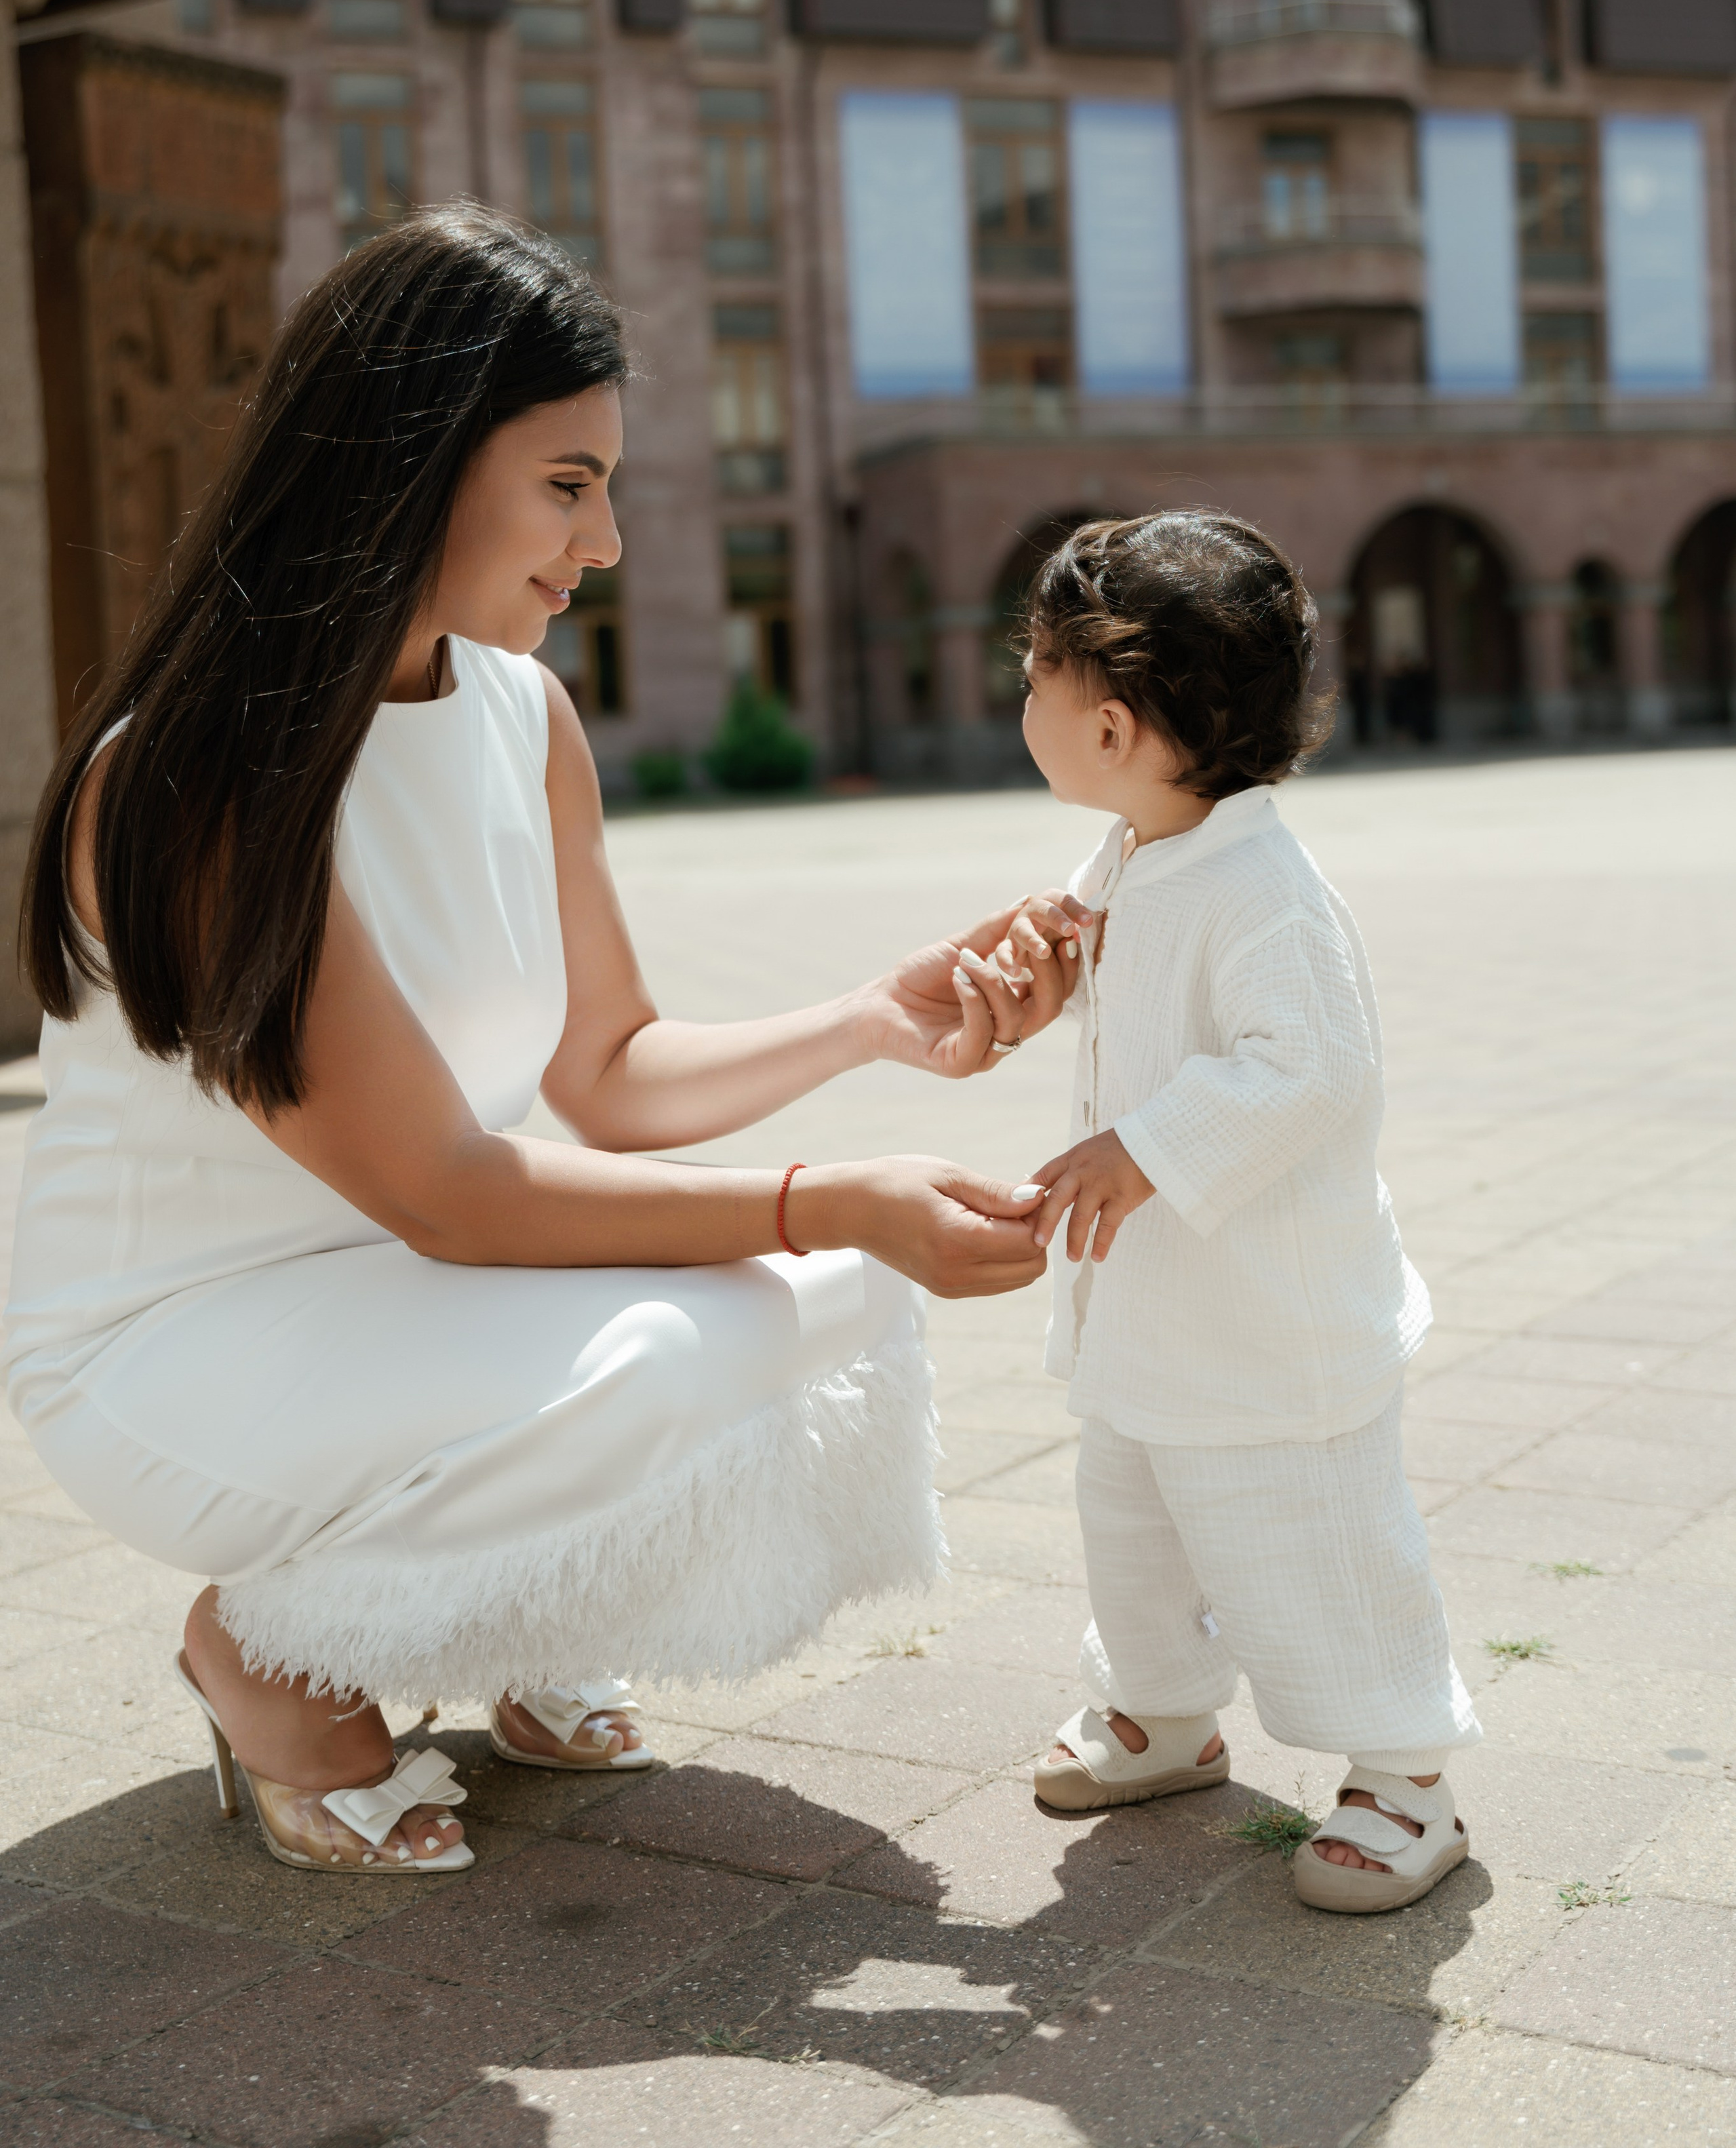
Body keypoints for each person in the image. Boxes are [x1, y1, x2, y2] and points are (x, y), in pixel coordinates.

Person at [8, 208, 1056, 1879]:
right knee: (685, 1339)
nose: (611, 539)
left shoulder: (522, 714)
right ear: (406, 463)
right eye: (567, 483)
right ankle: (268, 1651)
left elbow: (610, 1072)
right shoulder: (200, 779)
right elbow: (450, 1188)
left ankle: (504, 1604)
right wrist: (834, 1191)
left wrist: (873, 1024)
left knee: (829, 1295)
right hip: (180, 1350)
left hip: (416, 1294)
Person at [993, 511, 1480, 1915]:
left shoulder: (1262, 888)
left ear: (1113, 724)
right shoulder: (1139, 847)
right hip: (1154, 1310)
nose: (1019, 692)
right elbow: (1118, 970)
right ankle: (1156, 1712)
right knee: (1131, 1517)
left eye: (1036, 671)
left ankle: (1403, 1770)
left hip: (1270, 1331)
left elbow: (1308, 1066)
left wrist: (1146, 1145)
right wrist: (1052, 965)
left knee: (1308, 1541)